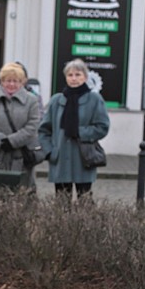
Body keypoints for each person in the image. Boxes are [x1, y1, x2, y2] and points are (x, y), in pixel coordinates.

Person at [38, 59, 110, 200]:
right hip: (60, 160)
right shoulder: (56, 100)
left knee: (85, 204)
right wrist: (49, 152)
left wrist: (80, 132)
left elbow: (102, 127)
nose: (74, 78)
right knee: (61, 205)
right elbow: (44, 130)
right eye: (70, 75)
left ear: (85, 77)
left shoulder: (94, 99)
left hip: (83, 159)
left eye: (78, 74)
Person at [0, 62, 42, 189]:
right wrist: (1, 141)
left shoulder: (32, 101)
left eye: (16, 81)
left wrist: (12, 141)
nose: (12, 84)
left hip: (21, 156)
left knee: (21, 194)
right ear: (2, 81)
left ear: (22, 82)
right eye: (8, 80)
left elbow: (33, 125)